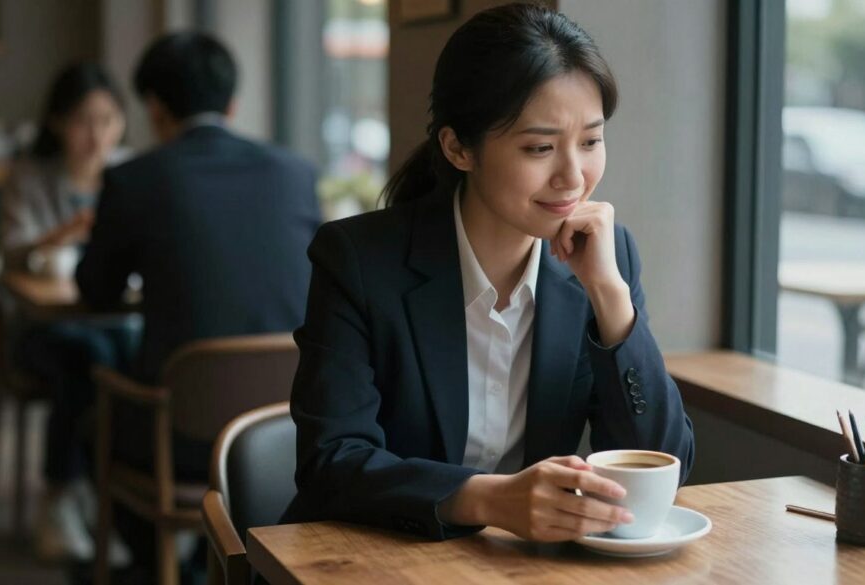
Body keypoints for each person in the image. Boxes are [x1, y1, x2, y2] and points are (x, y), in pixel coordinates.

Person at [283, 3, 695, 542]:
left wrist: (609, 297)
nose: (573, 176)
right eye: (540, 148)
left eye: (591, 141)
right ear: (459, 148)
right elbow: (331, 462)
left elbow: (668, 463)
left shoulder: (606, 255)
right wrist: (488, 498)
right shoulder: (357, 260)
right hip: (373, 557)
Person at [75, 31, 321, 567]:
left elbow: (95, 289)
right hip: (286, 432)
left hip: (181, 439)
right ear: (232, 104)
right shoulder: (296, 174)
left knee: (92, 421)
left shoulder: (133, 180)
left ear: (155, 107)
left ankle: (164, 568)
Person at [0, 62, 134, 562]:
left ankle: (109, 497)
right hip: (40, 326)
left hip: (117, 320)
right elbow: (10, 257)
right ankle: (61, 496)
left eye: (109, 120)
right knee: (88, 354)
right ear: (56, 122)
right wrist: (60, 236)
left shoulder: (130, 173)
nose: (97, 135)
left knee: (133, 351)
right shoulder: (31, 176)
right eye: (83, 121)